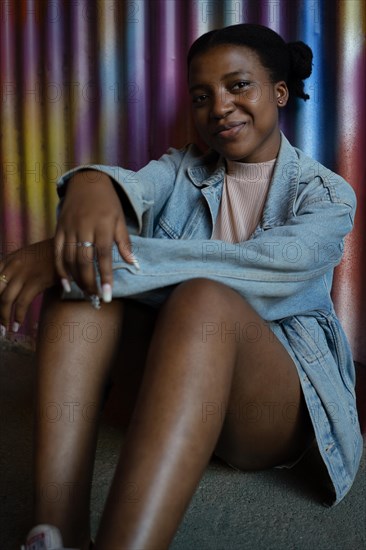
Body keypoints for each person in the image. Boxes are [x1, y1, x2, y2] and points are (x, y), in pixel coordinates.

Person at [0, 23, 363, 550]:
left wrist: (59, 255)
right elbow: (133, 185)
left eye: (239, 86)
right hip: (179, 380)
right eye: (202, 95)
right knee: (85, 280)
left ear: (279, 92)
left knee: (200, 295)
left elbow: (258, 268)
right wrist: (90, 183)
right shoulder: (182, 167)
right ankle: (57, 531)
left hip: (268, 408)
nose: (219, 106)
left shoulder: (327, 195)